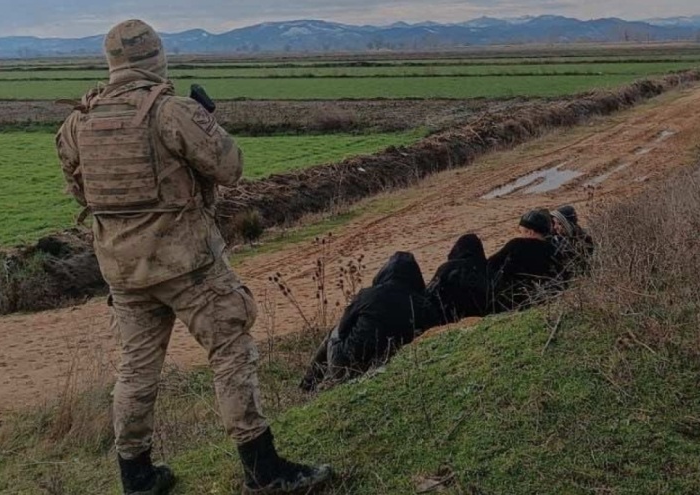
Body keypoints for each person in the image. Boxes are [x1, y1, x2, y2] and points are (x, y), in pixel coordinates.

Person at [55, 20, 331, 495]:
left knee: (137, 368)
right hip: (187, 264)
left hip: (123, 270)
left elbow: (78, 188)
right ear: (155, 57)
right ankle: (263, 470)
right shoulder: (171, 111)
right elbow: (231, 169)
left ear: (112, 63)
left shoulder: (79, 121)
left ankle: (137, 476)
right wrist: (208, 119)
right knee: (230, 352)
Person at [300, 252, 441, 391]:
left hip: (349, 363)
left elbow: (343, 330)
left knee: (334, 332)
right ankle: (324, 383)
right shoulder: (422, 304)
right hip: (392, 364)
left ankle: (309, 383)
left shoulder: (368, 294)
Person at [487, 209, 561, 313]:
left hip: (510, 301)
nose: (520, 235)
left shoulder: (517, 245)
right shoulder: (555, 249)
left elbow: (491, 263)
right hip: (545, 297)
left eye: (521, 232)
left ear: (530, 232)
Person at [426, 234, 490, 323]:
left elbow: (429, 294)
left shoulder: (447, 268)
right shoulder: (487, 269)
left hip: (447, 319)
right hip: (482, 314)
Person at [551, 205, 595, 278]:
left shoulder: (575, 242)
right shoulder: (562, 238)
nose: (555, 227)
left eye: (559, 224)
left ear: (567, 224)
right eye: (554, 223)